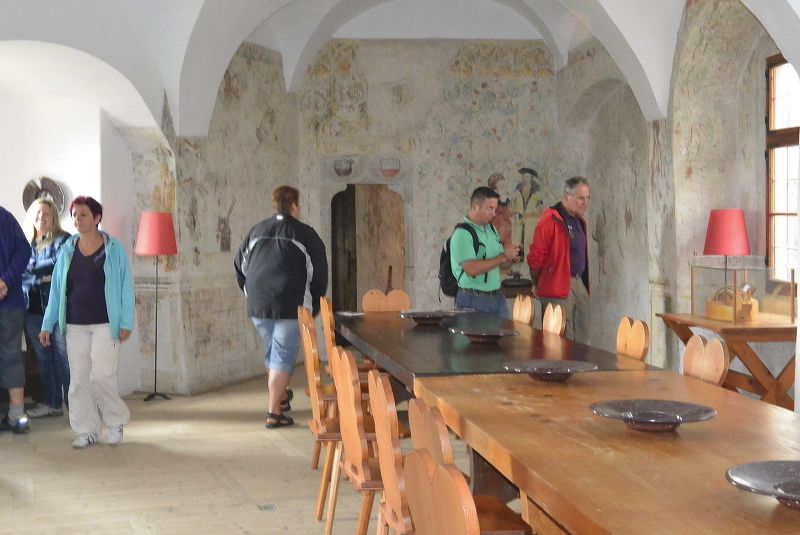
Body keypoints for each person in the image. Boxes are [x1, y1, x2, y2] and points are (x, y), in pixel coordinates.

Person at [40, 196, 135, 448]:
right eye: (74, 215)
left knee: (102, 376)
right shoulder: (67, 250)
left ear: (97, 218)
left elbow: (126, 287)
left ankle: (115, 421)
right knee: (79, 380)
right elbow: (57, 290)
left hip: (106, 323)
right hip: (75, 324)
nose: (77, 219)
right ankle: (86, 430)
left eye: (83, 215)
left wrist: (126, 321)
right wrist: (47, 324)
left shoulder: (113, 249)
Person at [234, 186, 328, 429]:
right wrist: (312, 305)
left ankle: (282, 396)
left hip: (258, 303)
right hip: (289, 303)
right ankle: (274, 413)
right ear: (294, 206)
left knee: (273, 353)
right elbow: (319, 274)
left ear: (274, 205)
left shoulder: (256, 231)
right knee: (282, 357)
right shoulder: (305, 234)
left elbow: (240, 266)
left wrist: (250, 293)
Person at [22, 197, 71, 418]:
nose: (41, 217)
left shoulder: (64, 240)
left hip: (57, 309)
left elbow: (59, 265)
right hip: (33, 310)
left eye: (46, 213)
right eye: (38, 213)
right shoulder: (27, 244)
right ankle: (52, 403)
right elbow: (20, 273)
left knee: (63, 358)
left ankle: (74, 405)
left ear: (54, 218)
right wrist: (39, 278)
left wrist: (33, 271)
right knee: (43, 359)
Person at [527, 177, 591, 343]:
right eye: (581, 198)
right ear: (566, 197)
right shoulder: (550, 220)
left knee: (582, 336)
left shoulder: (580, 221)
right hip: (557, 284)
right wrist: (539, 283)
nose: (585, 203)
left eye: (587, 198)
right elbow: (535, 259)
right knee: (560, 341)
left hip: (579, 282)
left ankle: (580, 361)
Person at [450, 187, 521, 318]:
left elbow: (500, 264)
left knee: (504, 332)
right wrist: (503, 256)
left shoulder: (491, 230)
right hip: (473, 299)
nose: (494, 214)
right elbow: (471, 269)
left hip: (497, 297)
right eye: (490, 208)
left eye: (495, 209)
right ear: (475, 207)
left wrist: (511, 258)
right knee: (476, 333)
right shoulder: (462, 234)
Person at [0, 205, 32, 433]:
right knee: (11, 354)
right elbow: (24, 251)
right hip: (11, 301)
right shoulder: (5, 216)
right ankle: (17, 415)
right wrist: (6, 282)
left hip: (9, 300)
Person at [510, 167, 544, 249]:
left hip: (530, 225)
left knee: (529, 246)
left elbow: (540, 212)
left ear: (531, 178)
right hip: (518, 225)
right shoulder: (517, 191)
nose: (525, 179)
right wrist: (515, 213)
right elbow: (511, 206)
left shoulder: (537, 193)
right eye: (523, 177)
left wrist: (528, 215)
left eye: (527, 177)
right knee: (517, 246)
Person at [487, 172, 513, 247]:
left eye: (504, 186)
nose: (505, 189)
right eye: (502, 186)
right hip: (496, 241)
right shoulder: (491, 204)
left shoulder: (506, 202)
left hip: (507, 239)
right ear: (494, 190)